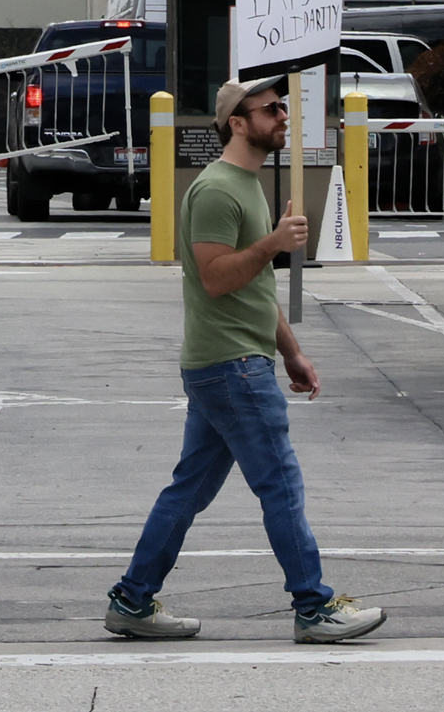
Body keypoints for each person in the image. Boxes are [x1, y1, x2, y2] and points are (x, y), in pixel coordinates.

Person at [103, 76, 385, 644]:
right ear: (238, 122)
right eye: (272, 109)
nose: (284, 115)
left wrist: (293, 351)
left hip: (234, 360)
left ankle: (132, 599)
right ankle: (314, 606)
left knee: (189, 490)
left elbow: (253, 289)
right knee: (280, 484)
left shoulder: (248, 184)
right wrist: (273, 245)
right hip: (231, 367)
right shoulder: (216, 191)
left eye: (283, 107)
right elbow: (215, 279)